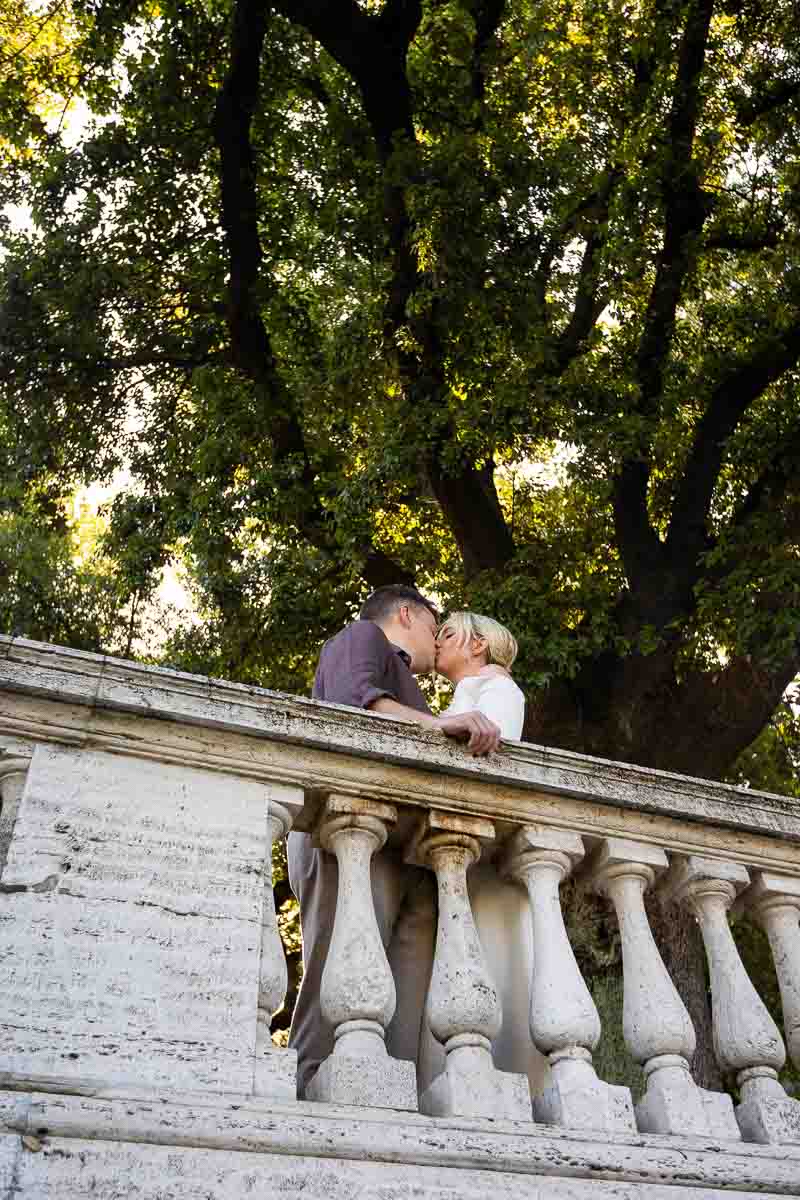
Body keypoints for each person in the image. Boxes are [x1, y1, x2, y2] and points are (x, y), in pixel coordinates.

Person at [288, 585, 502, 1097]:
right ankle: (307, 1095)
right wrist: (440, 725)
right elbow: (356, 703)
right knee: (338, 971)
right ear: (406, 613)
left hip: (403, 847)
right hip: (352, 832)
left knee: (399, 1001)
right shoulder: (363, 637)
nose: (438, 638)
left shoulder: (410, 682)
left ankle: (394, 1101)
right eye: (435, 624)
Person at [431, 610, 547, 1097]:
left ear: (478, 645)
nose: (437, 643)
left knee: (495, 965)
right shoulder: (467, 692)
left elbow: (490, 747)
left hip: (485, 862)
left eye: (448, 635)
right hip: (460, 860)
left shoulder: (496, 687)